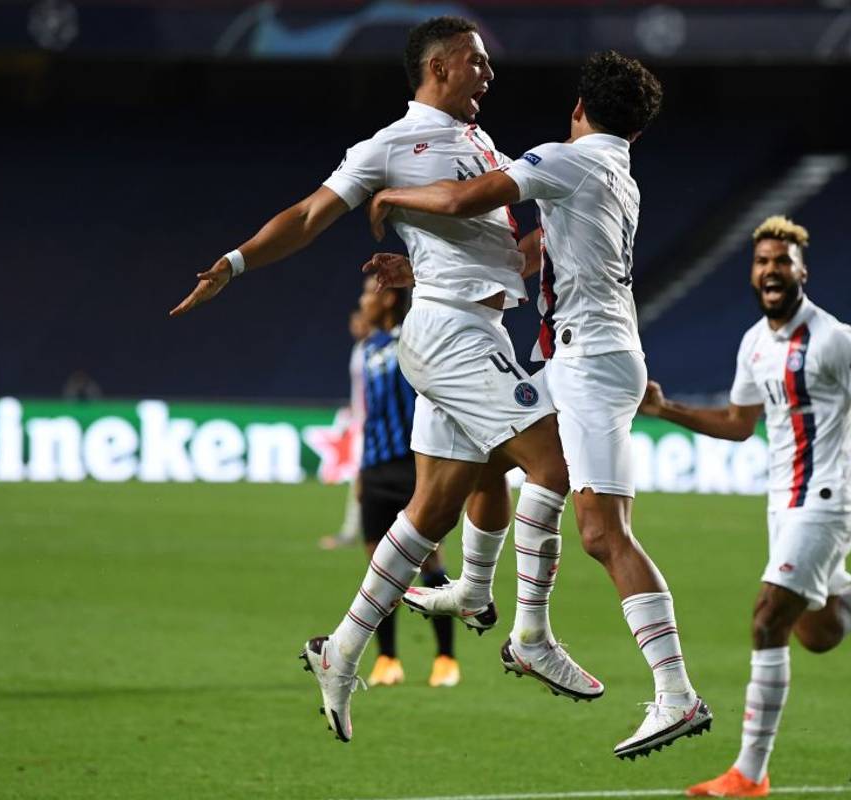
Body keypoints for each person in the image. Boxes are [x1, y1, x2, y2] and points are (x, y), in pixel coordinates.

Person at [169, 16, 602, 746]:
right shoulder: (390, 146)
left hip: (476, 327)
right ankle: (527, 633)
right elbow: (310, 214)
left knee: (435, 509)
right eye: (477, 62)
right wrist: (235, 265)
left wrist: (566, 228)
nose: (489, 74)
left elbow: (503, 257)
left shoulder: (482, 145)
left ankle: (340, 651)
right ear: (437, 67)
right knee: (554, 462)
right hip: (450, 335)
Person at [366, 50, 712, 760]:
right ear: (637, 131)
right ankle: (503, 613)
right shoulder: (614, 171)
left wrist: (394, 200)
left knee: (602, 532)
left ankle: (675, 693)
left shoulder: (565, 158)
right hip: (581, 358)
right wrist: (425, 267)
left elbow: (470, 197)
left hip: (589, 362)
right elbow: (532, 250)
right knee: (487, 446)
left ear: (579, 108)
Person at [636, 216, 851, 797]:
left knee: (768, 617)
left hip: (829, 497)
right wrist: (666, 409)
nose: (771, 270)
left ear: (802, 271)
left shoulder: (834, 339)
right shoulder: (754, 343)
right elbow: (737, 423)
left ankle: (749, 773)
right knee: (816, 633)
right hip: (784, 501)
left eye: (781, 262)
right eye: (762, 262)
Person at [351, 278, 460, 688]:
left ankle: (446, 658)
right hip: (375, 470)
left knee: (429, 562)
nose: (363, 301)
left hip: (413, 468)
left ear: (389, 297)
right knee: (378, 568)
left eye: (368, 293)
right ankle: (387, 659)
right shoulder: (366, 349)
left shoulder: (412, 341)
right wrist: (361, 473)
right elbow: (367, 415)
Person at [319, 310, 373, 551]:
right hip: (363, 425)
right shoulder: (359, 349)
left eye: (360, 322)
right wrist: (351, 412)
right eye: (353, 323)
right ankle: (353, 531)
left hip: (377, 427)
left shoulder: (377, 350)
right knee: (361, 480)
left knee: (366, 481)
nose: (355, 327)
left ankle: (353, 532)